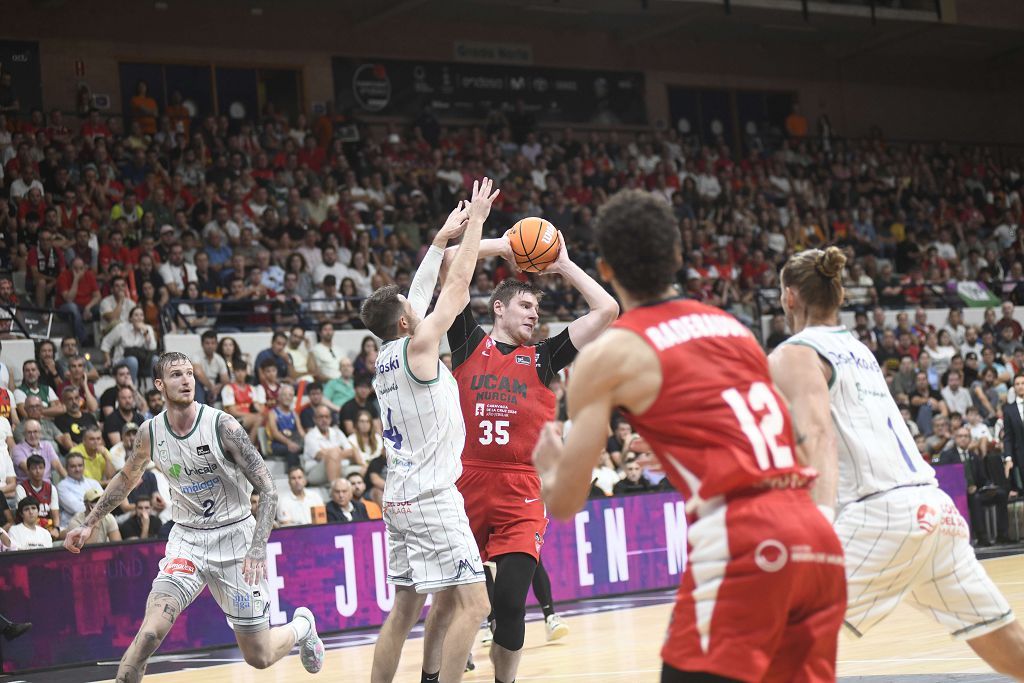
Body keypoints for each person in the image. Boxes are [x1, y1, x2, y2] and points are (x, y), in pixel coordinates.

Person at [532, 191, 846, 681]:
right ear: (678, 256)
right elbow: (783, 434)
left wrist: (549, 467)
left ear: (606, 269)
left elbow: (568, 502)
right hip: (817, 535)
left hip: (746, 541)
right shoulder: (733, 328)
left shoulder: (610, 353)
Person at [769, 246, 1024, 679]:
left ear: (789, 297)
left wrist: (817, 523)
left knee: (767, 634)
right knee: (1004, 642)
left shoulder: (795, 352)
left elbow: (818, 437)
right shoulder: (859, 350)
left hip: (879, 515)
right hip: (934, 512)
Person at [64, 351, 325, 677]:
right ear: (159, 384)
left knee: (259, 656)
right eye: (176, 375)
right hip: (186, 540)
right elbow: (128, 476)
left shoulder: (223, 425)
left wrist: (258, 548)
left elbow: (269, 489)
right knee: (148, 634)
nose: (186, 380)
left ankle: (302, 625)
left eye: (189, 373)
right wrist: (89, 522)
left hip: (235, 538)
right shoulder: (151, 432)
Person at [442, 224, 618, 679]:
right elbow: (447, 260)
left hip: (521, 489)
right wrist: (502, 246)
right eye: (524, 305)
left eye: (536, 308)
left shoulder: (543, 356)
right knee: (455, 600)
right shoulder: (467, 342)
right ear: (497, 308)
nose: (532, 314)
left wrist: (562, 265)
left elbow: (607, 308)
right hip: (465, 483)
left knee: (509, 604)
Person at [359, 184, 496, 683]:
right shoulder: (419, 347)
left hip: (398, 498)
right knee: (475, 603)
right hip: (432, 495)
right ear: (403, 321)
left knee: (403, 610)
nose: (416, 306)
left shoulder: (388, 354)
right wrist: (478, 220)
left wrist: (438, 241)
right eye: (408, 307)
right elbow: (456, 291)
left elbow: (417, 296)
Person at [15, 454, 61, 535]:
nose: (38, 471)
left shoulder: (51, 488)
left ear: (44, 469)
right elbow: (23, 515)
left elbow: (55, 513)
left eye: (41, 467)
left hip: (49, 527)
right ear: (28, 470)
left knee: (69, 534)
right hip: (28, 527)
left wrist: (56, 528)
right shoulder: (21, 488)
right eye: (34, 468)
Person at [56, 452, 101, 527]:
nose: (77, 469)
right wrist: (97, 508)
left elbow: (105, 502)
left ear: (84, 466)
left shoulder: (93, 483)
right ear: (66, 468)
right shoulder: (61, 486)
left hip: (96, 522)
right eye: (73, 466)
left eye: (80, 465)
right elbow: (76, 508)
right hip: (73, 526)